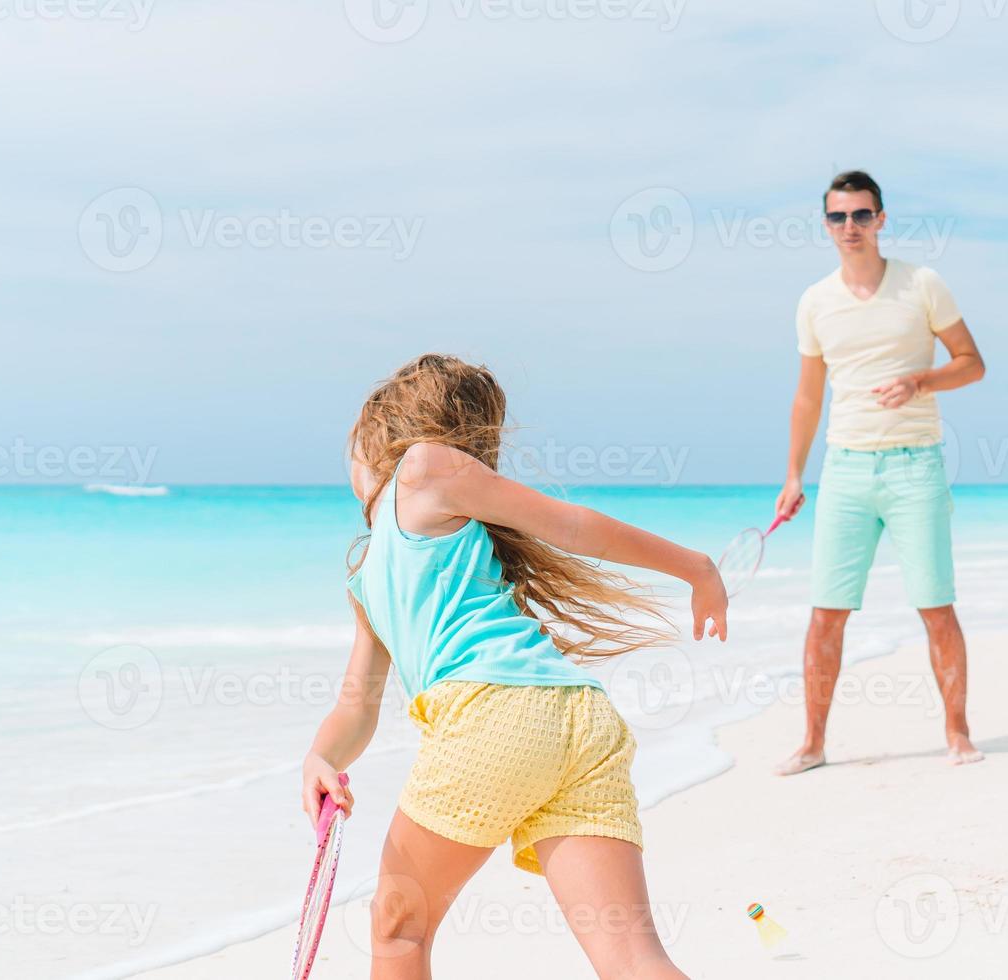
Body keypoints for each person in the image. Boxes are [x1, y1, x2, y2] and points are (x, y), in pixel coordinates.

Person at [300, 354, 728, 980]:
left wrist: (695, 566)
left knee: (399, 931)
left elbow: (575, 528)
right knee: (632, 957)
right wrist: (321, 759)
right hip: (578, 724)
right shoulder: (369, 579)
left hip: (492, 721)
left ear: (383, 437)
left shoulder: (423, 470)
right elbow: (356, 705)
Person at [775, 171, 986, 776]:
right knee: (826, 611)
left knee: (935, 604)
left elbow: (972, 363)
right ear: (826, 225)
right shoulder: (815, 301)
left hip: (915, 465)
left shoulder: (922, 285)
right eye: (839, 218)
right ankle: (812, 744)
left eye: (861, 216)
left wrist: (921, 379)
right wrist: (794, 474)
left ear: (881, 219)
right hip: (844, 470)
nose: (851, 228)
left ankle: (957, 732)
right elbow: (807, 398)